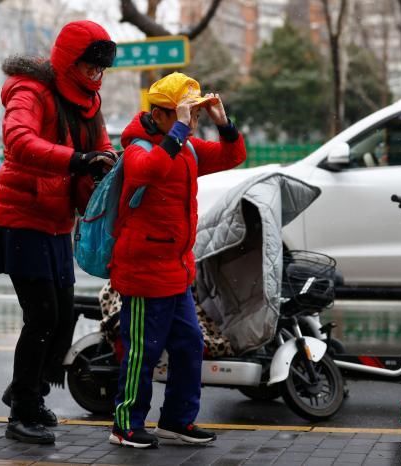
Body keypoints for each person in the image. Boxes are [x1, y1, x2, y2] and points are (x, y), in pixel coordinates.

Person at [0, 20, 117, 444]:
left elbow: (103, 144)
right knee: (41, 316)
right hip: (23, 216)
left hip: (57, 220)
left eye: (101, 70)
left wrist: (107, 159)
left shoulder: (87, 101)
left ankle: (30, 392)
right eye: (89, 67)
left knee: (61, 317)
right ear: (69, 60)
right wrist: (78, 160)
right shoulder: (30, 91)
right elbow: (18, 140)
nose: (95, 76)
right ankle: (22, 411)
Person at [108, 72, 247, 448]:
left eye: (196, 114)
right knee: (143, 352)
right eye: (186, 113)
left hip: (177, 269)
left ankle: (177, 420)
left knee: (188, 345)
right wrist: (180, 132)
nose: (193, 120)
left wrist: (223, 123)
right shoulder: (138, 144)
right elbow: (146, 171)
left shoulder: (186, 146)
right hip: (142, 270)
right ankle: (126, 425)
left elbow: (233, 155)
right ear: (161, 114)